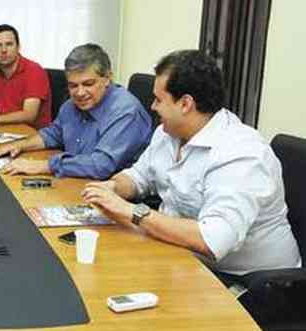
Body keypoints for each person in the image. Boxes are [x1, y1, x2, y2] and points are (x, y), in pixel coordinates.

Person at [81, 50, 301, 280]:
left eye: (158, 99)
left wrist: (131, 212)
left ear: (185, 104)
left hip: (250, 284)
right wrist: (112, 187)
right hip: (183, 259)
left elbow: (212, 239)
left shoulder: (242, 153)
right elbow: (139, 177)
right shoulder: (167, 133)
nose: (153, 107)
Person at [0, 44, 152, 179]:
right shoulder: (71, 105)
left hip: (114, 195)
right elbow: (53, 134)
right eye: (73, 86)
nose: (80, 93)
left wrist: (44, 166)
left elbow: (101, 165)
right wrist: (19, 145)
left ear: (108, 78)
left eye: (88, 84)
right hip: (76, 182)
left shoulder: (125, 110)